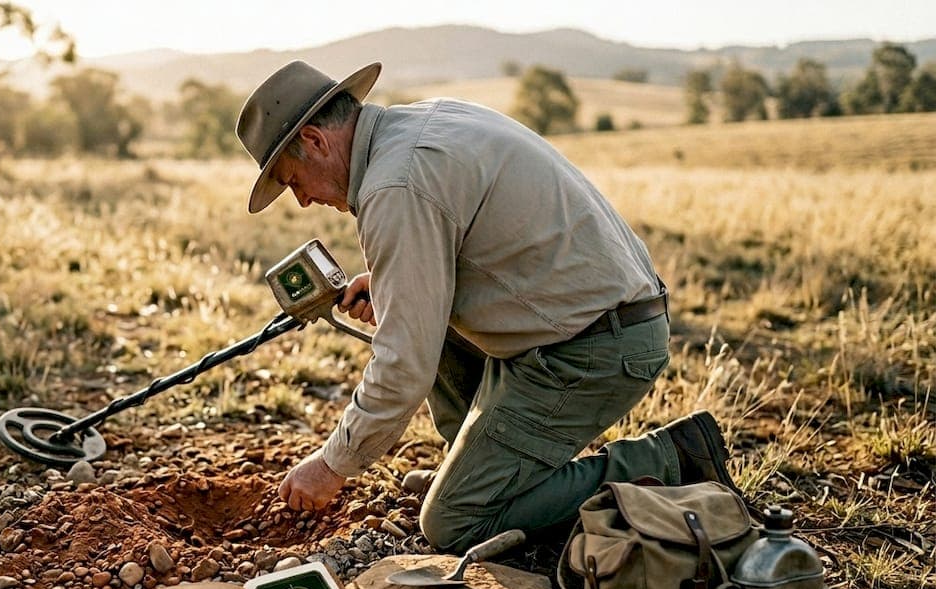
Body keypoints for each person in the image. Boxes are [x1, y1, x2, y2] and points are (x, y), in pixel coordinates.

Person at [235, 60, 740, 553]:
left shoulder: (395, 186)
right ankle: (478, 468)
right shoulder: (421, 123)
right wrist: (397, 284)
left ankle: (670, 459)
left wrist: (331, 465)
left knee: (453, 523)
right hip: (605, 317)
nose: (302, 201)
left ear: (316, 142)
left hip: (596, 349)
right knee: (421, 320)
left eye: (292, 180)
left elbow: (403, 365)